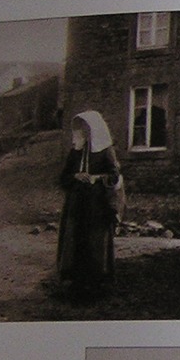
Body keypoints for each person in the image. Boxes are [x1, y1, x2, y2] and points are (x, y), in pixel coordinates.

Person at [56, 110, 121, 300]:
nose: (77, 137)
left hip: (97, 206)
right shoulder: (75, 153)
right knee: (77, 241)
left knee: (95, 242)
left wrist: (96, 178)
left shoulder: (105, 151)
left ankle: (97, 284)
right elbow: (62, 178)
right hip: (76, 205)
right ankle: (77, 282)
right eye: (77, 133)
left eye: (82, 132)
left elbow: (115, 176)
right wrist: (75, 176)